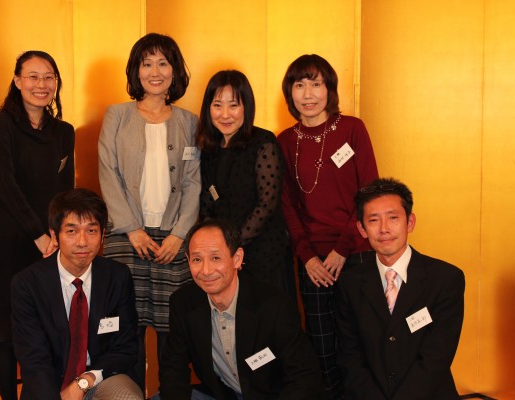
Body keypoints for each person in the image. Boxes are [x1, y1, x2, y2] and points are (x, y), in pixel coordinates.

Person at [98, 33, 200, 390]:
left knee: (173, 331)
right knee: (127, 329)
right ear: (135, 70)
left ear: (175, 71)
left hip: (173, 240)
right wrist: (131, 228)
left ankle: (172, 395)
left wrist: (179, 234)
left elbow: (194, 182)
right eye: (146, 64)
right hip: (126, 237)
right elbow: (107, 171)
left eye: (163, 63)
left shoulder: (189, 121)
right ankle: (128, 395)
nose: (155, 72)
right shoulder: (117, 115)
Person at [277, 53, 379, 398]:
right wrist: (307, 257)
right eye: (299, 85)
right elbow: (288, 207)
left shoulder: (352, 129)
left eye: (316, 84)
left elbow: (369, 194)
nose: (308, 94)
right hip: (312, 262)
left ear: (329, 89)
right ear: (290, 92)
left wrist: (342, 250)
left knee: (360, 343)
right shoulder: (285, 141)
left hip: (357, 253)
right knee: (321, 349)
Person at [0, 50, 75, 399]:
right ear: (18, 81)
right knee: (5, 334)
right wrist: (38, 235)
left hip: (51, 245)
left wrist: (60, 235)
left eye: (49, 77)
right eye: (33, 76)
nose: (42, 84)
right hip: (10, 244)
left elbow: (65, 192)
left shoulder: (63, 132)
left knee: (50, 329)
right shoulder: (0, 124)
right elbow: (6, 186)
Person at [157, 219, 327, 400]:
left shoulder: (274, 306)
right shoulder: (183, 303)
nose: (206, 271)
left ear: (237, 258)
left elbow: (304, 378)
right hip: (222, 395)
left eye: (215, 258)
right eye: (197, 259)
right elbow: (173, 371)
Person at [336, 178, 465, 399]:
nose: (384, 229)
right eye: (373, 220)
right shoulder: (350, 283)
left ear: (410, 222)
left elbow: (436, 357)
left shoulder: (445, 279)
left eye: (393, 218)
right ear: (362, 228)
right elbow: (350, 357)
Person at [11, 188, 143, 400]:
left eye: (91, 231)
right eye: (71, 231)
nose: (82, 242)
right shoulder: (28, 284)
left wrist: (85, 381)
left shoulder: (117, 277)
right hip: (48, 385)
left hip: (101, 377)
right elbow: (33, 358)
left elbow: (126, 347)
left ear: (102, 235)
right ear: (54, 235)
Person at [196, 70, 295, 296]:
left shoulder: (263, 142)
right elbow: (207, 205)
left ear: (246, 107)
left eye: (233, 105)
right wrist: (217, 250)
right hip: (225, 259)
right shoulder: (209, 149)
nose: (225, 114)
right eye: (217, 105)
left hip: (264, 255)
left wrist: (232, 247)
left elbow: (266, 204)